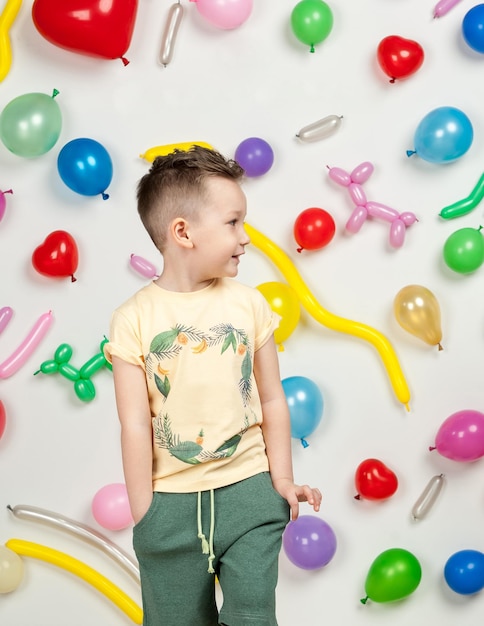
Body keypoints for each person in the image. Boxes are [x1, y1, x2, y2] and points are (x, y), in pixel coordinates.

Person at [104, 145, 322, 626]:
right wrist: (146, 513)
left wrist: (280, 480)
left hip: (250, 495)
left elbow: (271, 398)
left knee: (252, 617)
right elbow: (135, 424)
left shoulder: (249, 306)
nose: (245, 238)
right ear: (182, 232)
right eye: (233, 223)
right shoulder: (132, 321)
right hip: (169, 510)